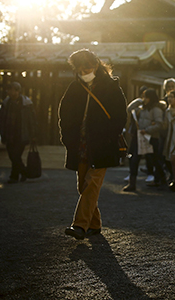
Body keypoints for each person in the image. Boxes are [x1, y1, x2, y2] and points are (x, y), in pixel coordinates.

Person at [59, 49, 127, 240]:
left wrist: (108, 136)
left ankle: (80, 225)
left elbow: (120, 116)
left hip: (102, 144)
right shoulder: (74, 88)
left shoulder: (111, 87)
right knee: (83, 186)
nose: (84, 72)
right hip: (79, 144)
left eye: (88, 67)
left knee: (92, 183)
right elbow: (63, 115)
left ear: (96, 65)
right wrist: (67, 139)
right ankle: (94, 224)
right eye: (81, 69)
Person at [123, 89, 166, 191]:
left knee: (154, 159)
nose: (144, 99)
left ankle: (161, 180)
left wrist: (147, 130)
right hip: (139, 136)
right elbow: (129, 109)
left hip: (151, 137)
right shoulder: (141, 108)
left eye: (146, 97)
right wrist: (139, 100)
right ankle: (132, 183)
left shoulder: (156, 109)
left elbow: (159, 124)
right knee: (134, 158)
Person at [0, 82, 37, 183]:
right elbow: (0, 118)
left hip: (20, 134)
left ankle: (14, 176)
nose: (8, 92)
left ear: (17, 91)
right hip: (10, 133)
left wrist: (33, 134)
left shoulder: (26, 104)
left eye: (11, 90)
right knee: (14, 156)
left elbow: (31, 120)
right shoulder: (7, 103)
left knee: (15, 156)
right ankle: (24, 172)